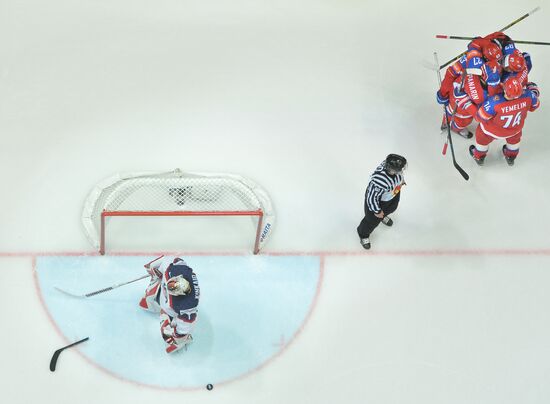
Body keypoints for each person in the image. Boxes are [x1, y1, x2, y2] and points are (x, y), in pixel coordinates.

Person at [469, 78, 540, 166]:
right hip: (515, 130)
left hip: (493, 131)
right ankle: (511, 156)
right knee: (514, 140)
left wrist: (470, 104)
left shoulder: (495, 102)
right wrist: (534, 90)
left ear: (505, 91)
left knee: (482, 137)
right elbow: (534, 106)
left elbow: (480, 117)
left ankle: (479, 156)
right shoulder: (528, 95)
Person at [139, 255, 200, 353]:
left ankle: (182, 341)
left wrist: (179, 335)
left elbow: (186, 325)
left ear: (180, 294)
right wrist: (153, 268)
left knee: (166, 334)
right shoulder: (176, 269)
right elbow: (171, 259)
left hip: (169, 312)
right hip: (165, 293)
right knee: (155, 277)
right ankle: (152, 298)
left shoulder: (187, 306)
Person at [357, 154, 407, 249]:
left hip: (391, 194)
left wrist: (401, 182)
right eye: (399, 169)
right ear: (391, 169)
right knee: (371, 220)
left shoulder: (395, 170)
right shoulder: (379, 181)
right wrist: (377, 211)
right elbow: (371, 197)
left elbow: (399, 175)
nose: (402, 170)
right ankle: (363, 234)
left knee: (392, 207)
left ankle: (382, 215)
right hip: (378, 202)